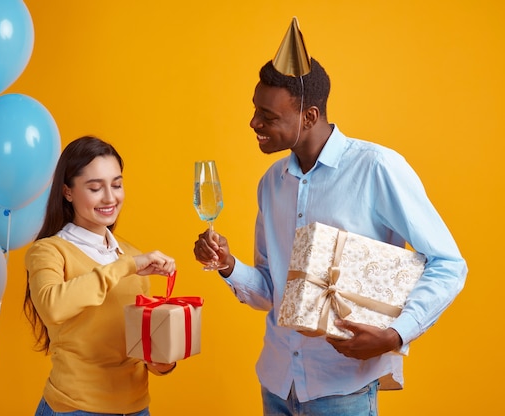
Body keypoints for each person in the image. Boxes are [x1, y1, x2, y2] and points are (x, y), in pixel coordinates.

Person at [193, 25, 467, 416]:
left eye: (267, 115)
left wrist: (395, 334)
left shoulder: (376, 168)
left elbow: (449, 264)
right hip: (277, 383)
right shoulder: (272, 183)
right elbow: (274, 291)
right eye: (255, 110)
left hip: (344, 388)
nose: (253, 123)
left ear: (309, 116)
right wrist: (228, 266)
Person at [24, 136, 177, 416]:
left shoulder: (130, 255)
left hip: (136, 407)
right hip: (75, 408)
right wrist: (126, 266)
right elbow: (52, 306)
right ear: (67, 192)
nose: (110, 197)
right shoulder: (49, 251)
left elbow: (137, 346)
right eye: (95, 188)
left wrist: (162, 361)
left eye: (116, 185)